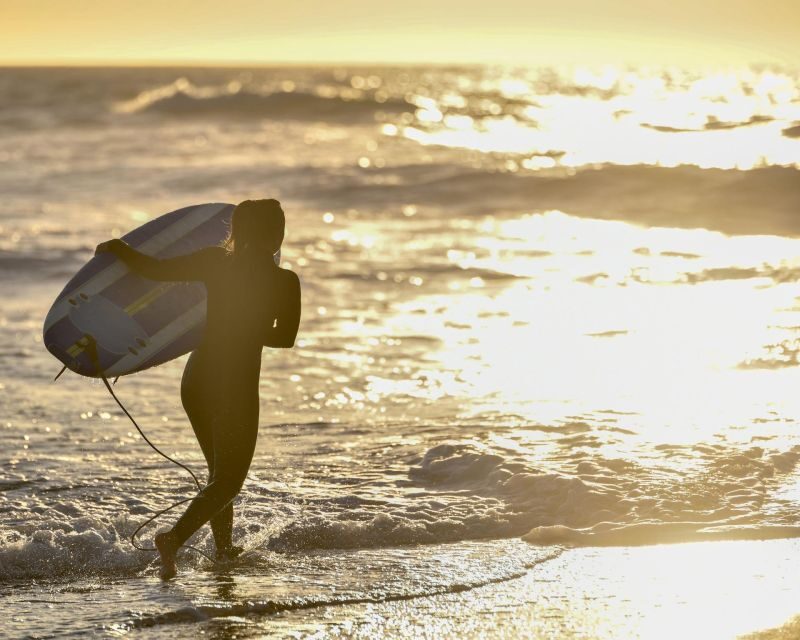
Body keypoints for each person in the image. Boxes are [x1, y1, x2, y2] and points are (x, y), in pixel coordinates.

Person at [95, 199, 301, 579]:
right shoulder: (285, 281)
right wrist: (250, 330)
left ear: (239, 232)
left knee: (218, 475)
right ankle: (173, 539)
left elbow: (156, 270)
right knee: (229, 480)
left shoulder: (215, 261)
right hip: (235, 384)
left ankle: (223, 549)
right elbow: (285, 337)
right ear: (277, 235)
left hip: (198, 380)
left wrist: (119, 250)